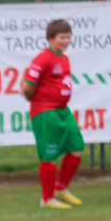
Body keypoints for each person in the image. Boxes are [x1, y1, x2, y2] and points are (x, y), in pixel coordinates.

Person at [21, 19, 84, 209]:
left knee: (77, 148)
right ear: (50, 38)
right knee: (49, 156)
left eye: (68, 37)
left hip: (63, 110)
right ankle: (47, 199)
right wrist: (38, 100)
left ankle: (60, 188)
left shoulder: (64, 58)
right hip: (46, 111)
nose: (66, 41)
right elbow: (26, 87)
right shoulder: (43, 58)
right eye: (62, 37)